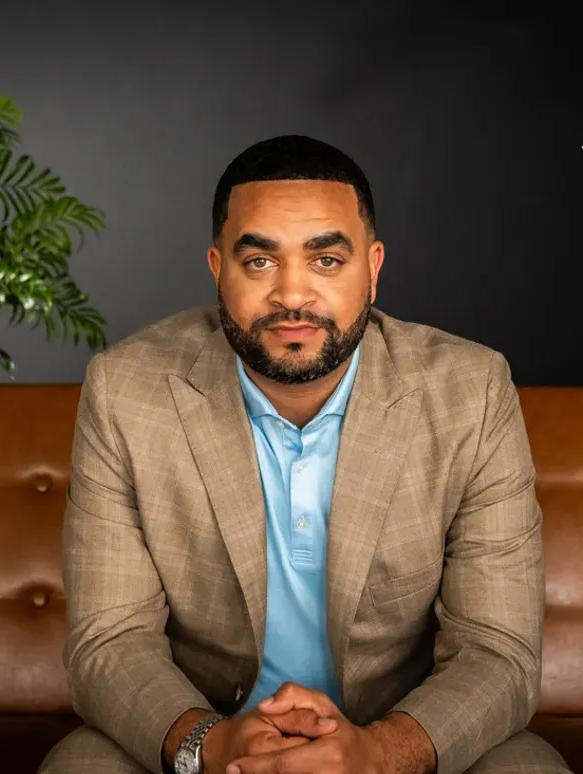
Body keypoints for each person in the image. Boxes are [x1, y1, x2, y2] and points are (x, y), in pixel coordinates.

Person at [40, 135, 569, 774]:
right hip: (218, 742)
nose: (293, 295)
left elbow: (499, 650)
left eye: (325, 260)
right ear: (217, 269)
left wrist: (379, 752)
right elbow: (109, 641)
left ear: (373, 268)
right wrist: (209, 745)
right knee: (81, 762)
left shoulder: (472, 392)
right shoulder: (126, 391)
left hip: (393, 740)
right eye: (260, 262)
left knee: (526, 766)